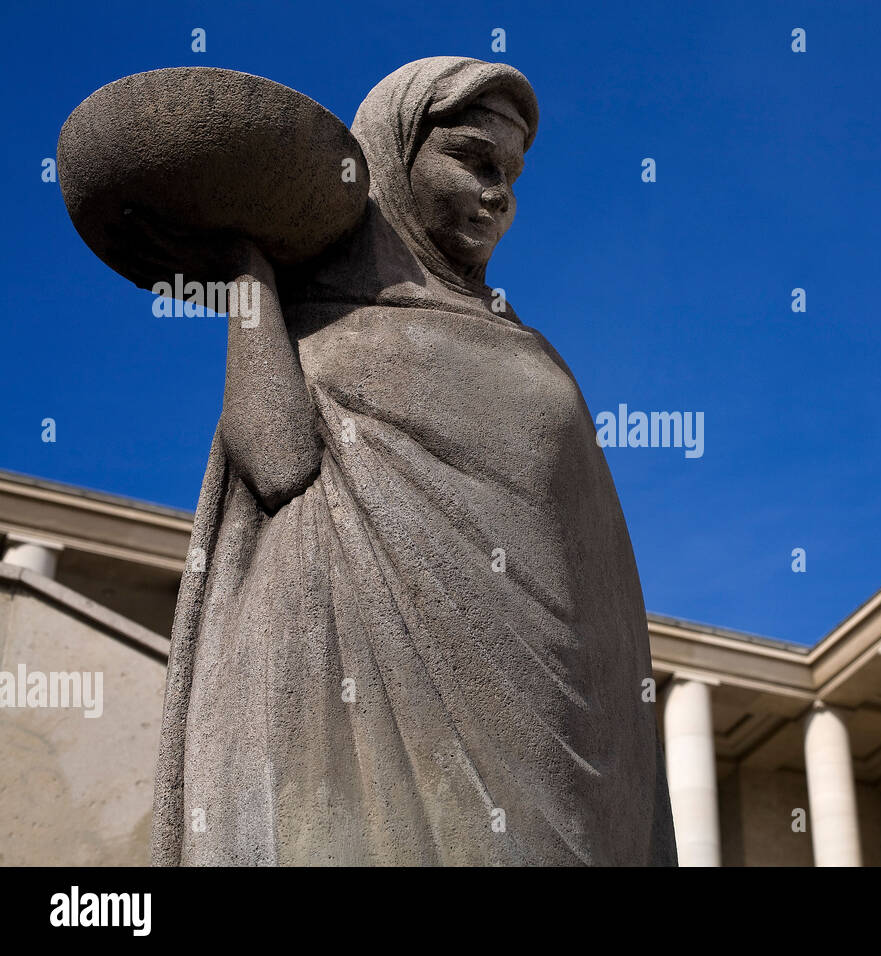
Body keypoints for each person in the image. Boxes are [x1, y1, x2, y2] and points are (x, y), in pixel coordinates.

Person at [150, 57, 677, 865]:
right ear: (394, 156)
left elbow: (599, 585)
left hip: (548, 731)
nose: (499, 195)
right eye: (473, 160)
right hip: (345, 694)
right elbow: (276, 465)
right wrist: (248, 278)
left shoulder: (531, 354)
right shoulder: (327, 330)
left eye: (512, 176)